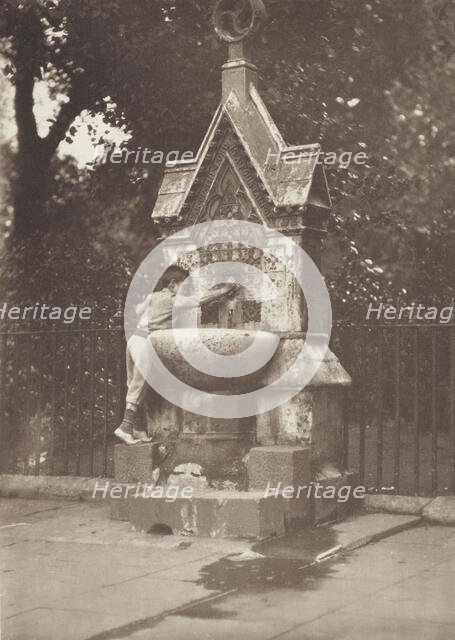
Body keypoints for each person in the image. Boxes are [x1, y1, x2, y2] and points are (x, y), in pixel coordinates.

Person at [115, 265, 237, 444]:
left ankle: (137, 428)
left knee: (133, 383)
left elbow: (137, 311)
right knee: (139, 385)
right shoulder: (174, 300)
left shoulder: (151, 297)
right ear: (172, 285)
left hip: (134, 339)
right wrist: (225, 290)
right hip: (147, 341)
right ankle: (125, 427)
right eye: (184, 287)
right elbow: (200, 300)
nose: (185, 292)